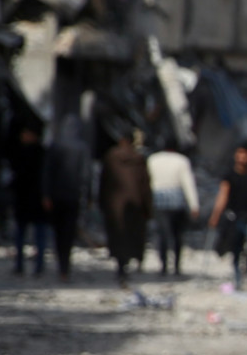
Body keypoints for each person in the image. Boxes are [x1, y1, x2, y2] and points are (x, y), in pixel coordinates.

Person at [208, 144, 247, 288]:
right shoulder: (229, 175)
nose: (241, 157)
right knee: (236, 247)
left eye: (244, 154)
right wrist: (215, 215)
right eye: (239, 153)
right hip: (234, 217)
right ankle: (237, 277)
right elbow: (222, 196)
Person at [98, 129, 152, 286]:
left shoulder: (111, 157)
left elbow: (104, 182)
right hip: (135, 203)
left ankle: (121, 265)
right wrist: (148, 206)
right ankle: (135, 260)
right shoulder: (138, 158)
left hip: (115, 204)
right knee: (133, 234)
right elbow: (145, 184)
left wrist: (102, 202)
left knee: (118, 235)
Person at [43, 115, 92, 282]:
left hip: (57, 197)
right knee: (69, 233)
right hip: (73, 197)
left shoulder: (55, 146)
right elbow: (87, 175)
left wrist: (46, 195)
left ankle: (61, 266)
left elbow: (47, 173)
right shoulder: (82, 148)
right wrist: (89, 196)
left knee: (58, 233)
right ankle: (66, 267)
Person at [146, 144, 199, 276]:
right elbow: (188, 183)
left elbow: (146, 182)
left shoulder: (153, 159)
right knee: (177, 235)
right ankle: (176, 266)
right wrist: (194, 205)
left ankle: (163, 265)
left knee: (163, 234)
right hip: (177, 201)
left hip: (158, 200)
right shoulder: (182, 160)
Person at [5, 123, 51, 276]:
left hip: (33, 200)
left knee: (34, 235)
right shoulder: (25, 152)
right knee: (24, 235)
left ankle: (35, 266)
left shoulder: (38, 154)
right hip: (28, 200)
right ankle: (24, 265)